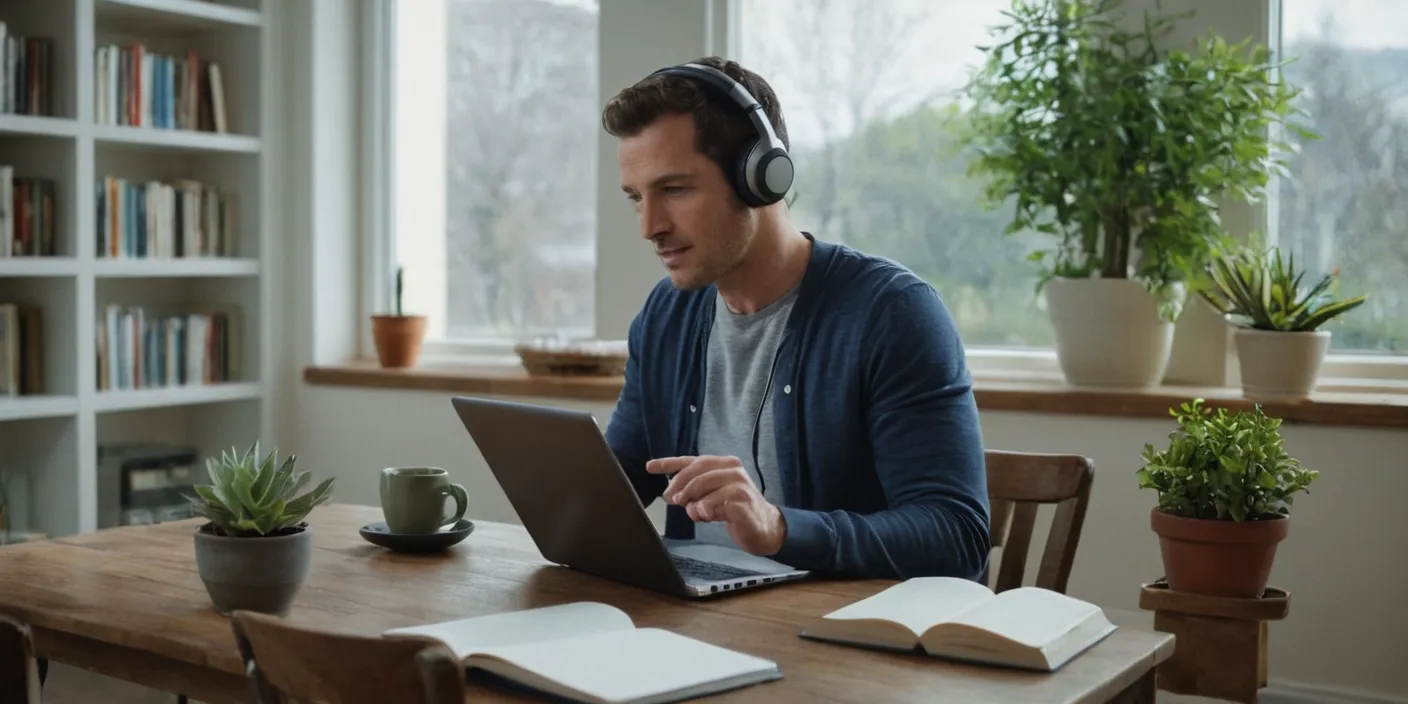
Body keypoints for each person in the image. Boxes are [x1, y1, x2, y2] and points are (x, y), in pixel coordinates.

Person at [599, 56, 990, 582]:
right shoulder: (667, 315)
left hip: (839, 642)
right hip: (693, 628)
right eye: (635, 198)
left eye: (674, 190)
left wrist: (781, 527)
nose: (650, 226)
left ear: (760, 177)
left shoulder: (891, 313)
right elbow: (614, 487)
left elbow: (955, 535)